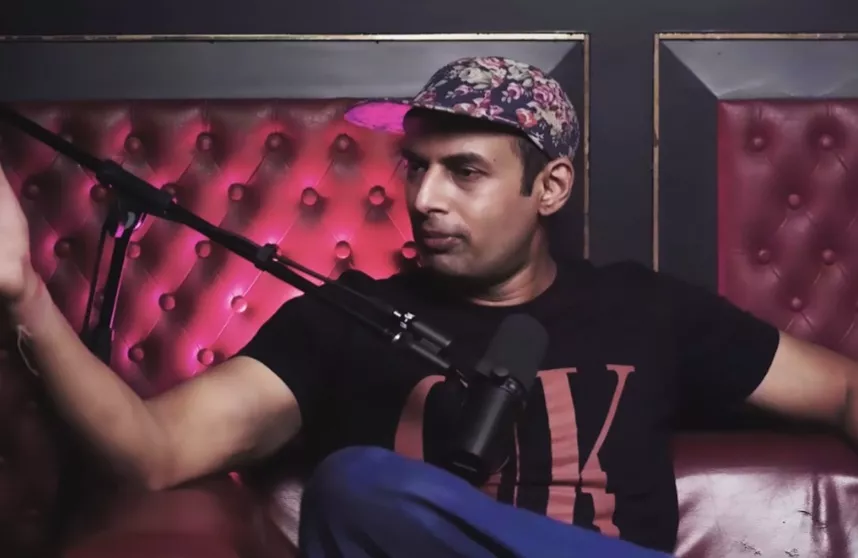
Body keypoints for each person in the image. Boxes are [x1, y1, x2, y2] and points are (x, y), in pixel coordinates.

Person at [1, 56, 857, 558]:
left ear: (550, 187)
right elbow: (151, 451)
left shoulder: (646, 308)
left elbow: (844, 390)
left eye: (465, 172)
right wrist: (26, 295)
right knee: (355, 487)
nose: (424, 198)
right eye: (417, 167)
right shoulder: (341, 320)